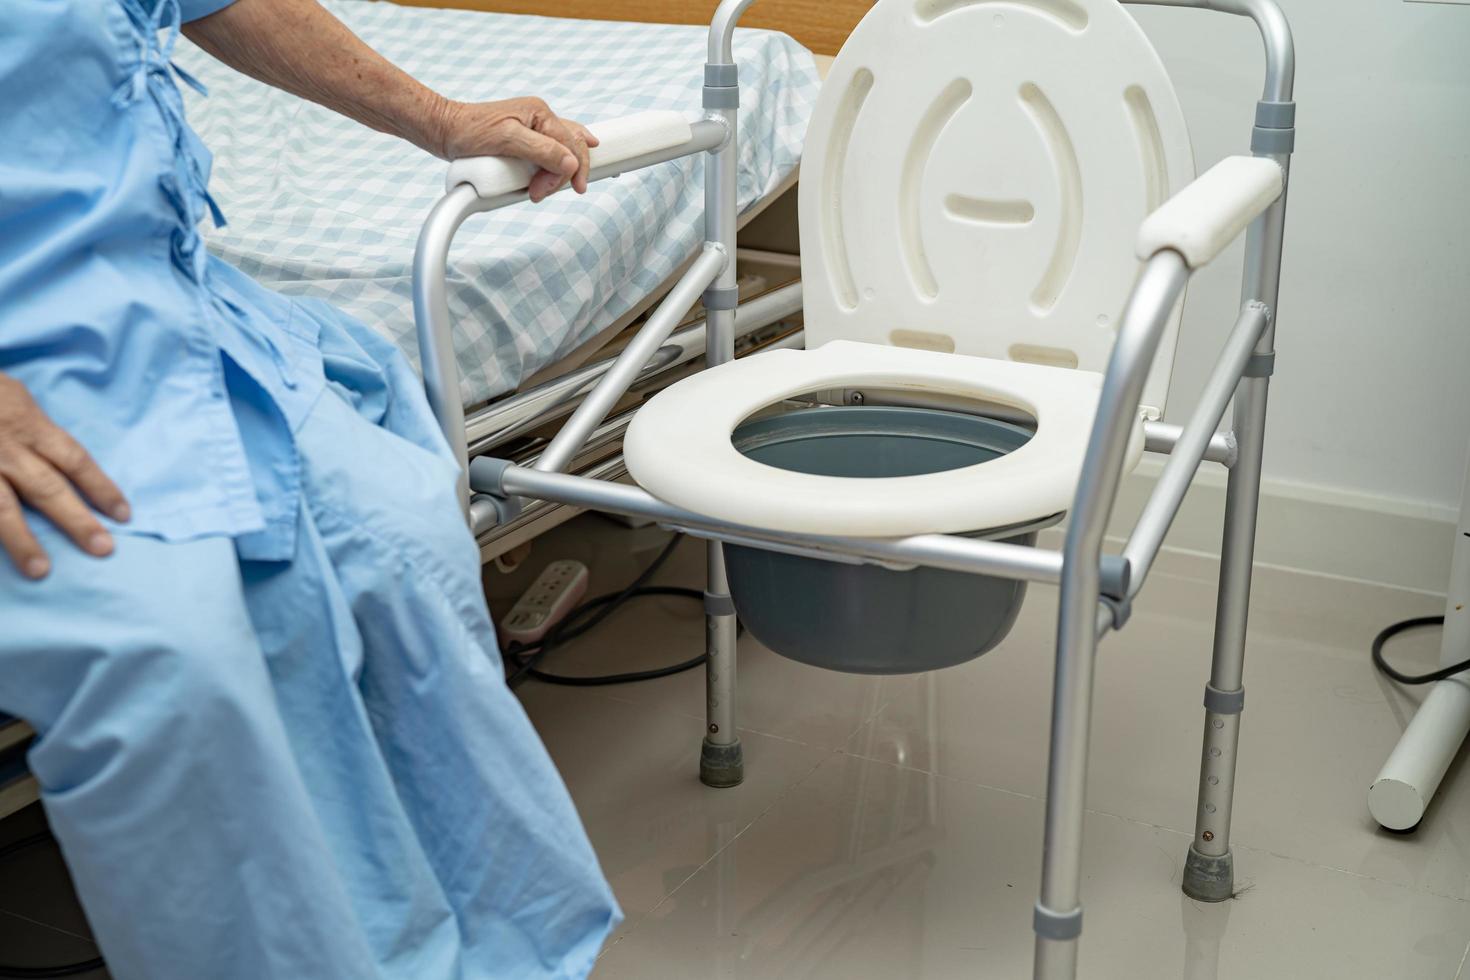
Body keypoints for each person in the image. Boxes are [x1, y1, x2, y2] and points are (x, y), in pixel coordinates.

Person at [0, 1, 621, 977]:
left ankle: (501, 957)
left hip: (159, 302)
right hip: (21, 371)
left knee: (400, 542)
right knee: (180, 661)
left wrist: (441, 118)